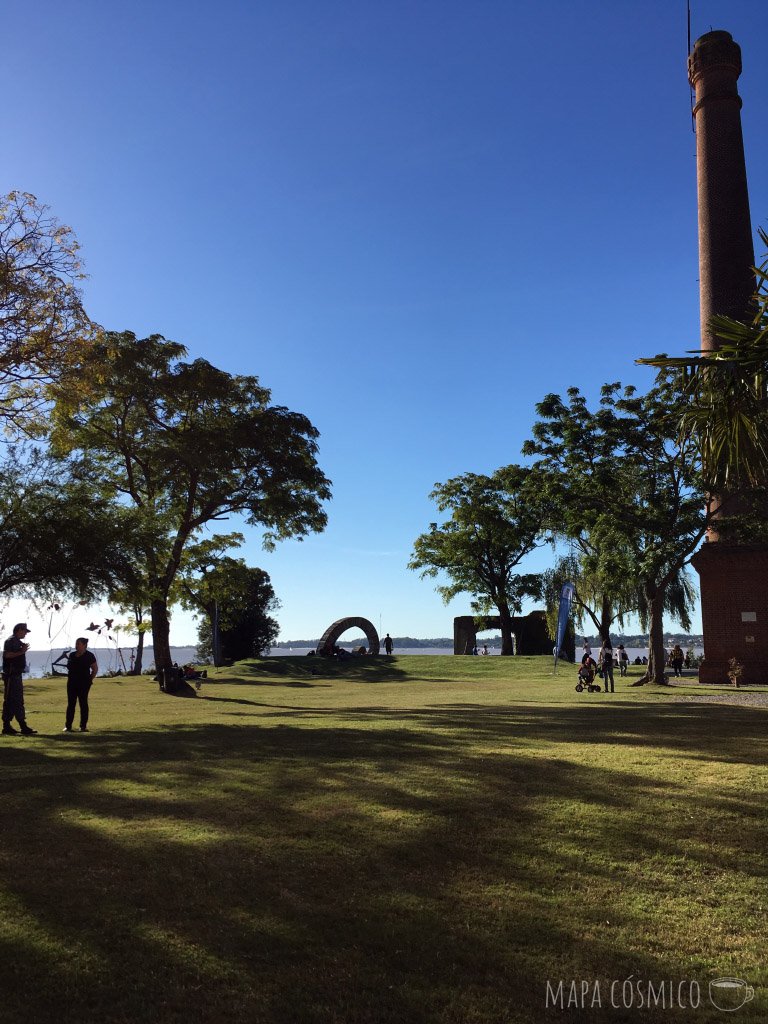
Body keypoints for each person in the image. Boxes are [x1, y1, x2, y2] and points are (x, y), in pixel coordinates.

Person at [2, 623, 36, 735]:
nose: (26, 633)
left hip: (16, 675)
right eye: (25, 631)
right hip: (11, 675)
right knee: (13, 700)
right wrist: (21, 651)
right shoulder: (11, 641)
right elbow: (7, 655)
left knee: (14, 700)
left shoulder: (17, 641)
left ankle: (12, 725)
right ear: (19, 630)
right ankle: (18, 725)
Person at [64, 637, 98, 733]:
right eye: (76, 643)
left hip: (84, 683)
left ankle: (83, 726)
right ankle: (68, 726)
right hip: (71, 682)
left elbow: (94, 668)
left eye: (78, 644)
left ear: (84, 645)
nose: (76, 645)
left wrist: (90, 679)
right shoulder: (72, 655)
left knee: (83, 703)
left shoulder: (89, 656)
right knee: (71, 704)